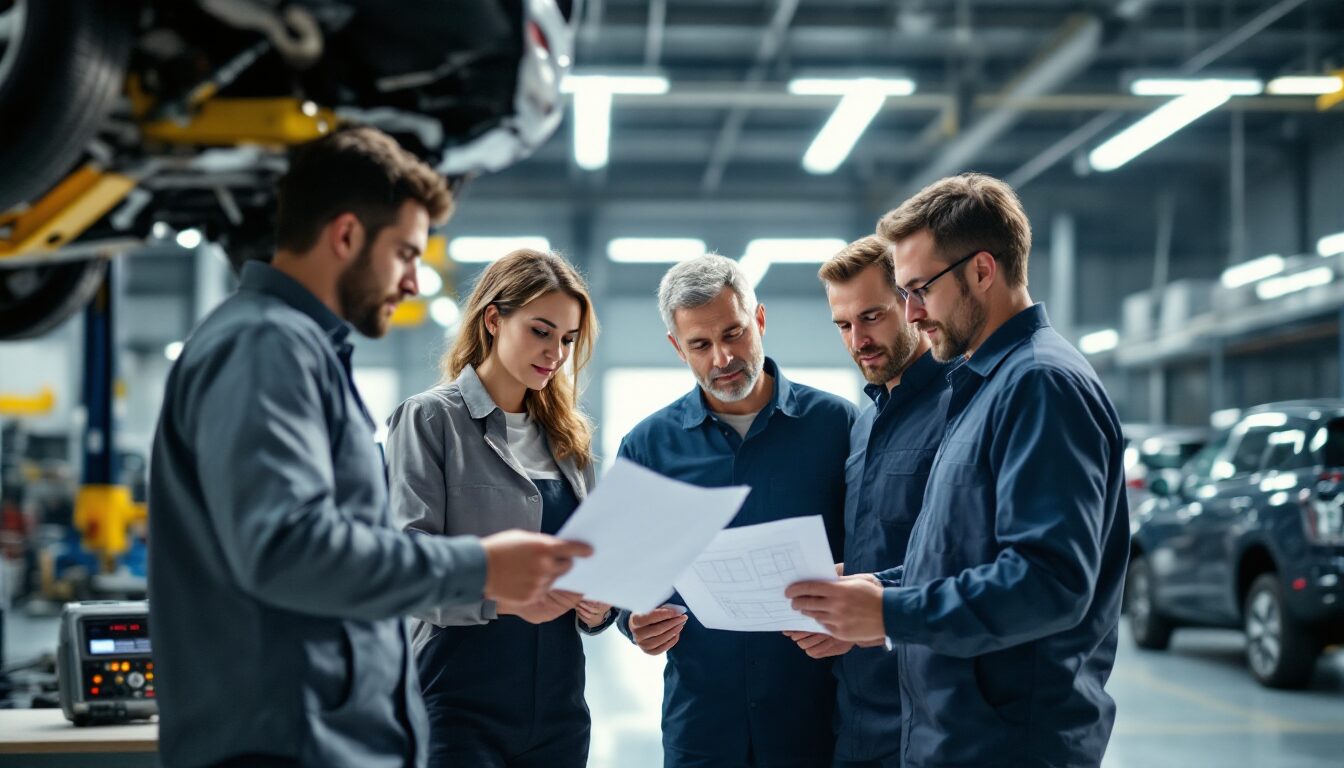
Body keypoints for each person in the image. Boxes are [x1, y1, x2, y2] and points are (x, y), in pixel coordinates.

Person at [147, 127, 591, 768]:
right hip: (284, 742)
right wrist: (483, 570)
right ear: (347, 235)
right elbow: (287, 548)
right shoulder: (265, 347)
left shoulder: (302, 353)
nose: (414, 282)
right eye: (406, 253)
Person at [788, 173, 1129, 768]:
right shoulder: (983, 386)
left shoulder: (1041, 384)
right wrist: (882, 586)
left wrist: (889, 614)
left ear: (981, 270)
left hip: (1011, 744)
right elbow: (964, 554)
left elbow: (1049, 582)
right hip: (955, 738)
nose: (912, 313)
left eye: (919, 289)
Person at [616, 254, 858, 768]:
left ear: (760, 320)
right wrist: (630, 619)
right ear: (677, 348)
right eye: (701, 345)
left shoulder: (838, 427)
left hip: (817, 722)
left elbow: (875, 548)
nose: (723, 357)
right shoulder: (647, 447)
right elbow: (623, 578)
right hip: (703, 728)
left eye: (735, 333)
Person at [385, 249, 614, 768]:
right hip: (457, 704)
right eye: (540, 331)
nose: (555, 352)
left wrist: (601, 607)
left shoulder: (569, 440)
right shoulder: (429, 420)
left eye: (567, 339)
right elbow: (409, 567)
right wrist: (506, 597)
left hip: (559, 708)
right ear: (493, 319)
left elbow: (590, 564)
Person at [783, 236, 951, 768]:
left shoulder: (961, 409)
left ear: (912, 302)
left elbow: (966, 557)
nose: (858, 339)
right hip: (856, 711)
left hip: (929, 713)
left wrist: (876, 598)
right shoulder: (865, 422)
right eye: (843, 325)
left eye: (872, 316)